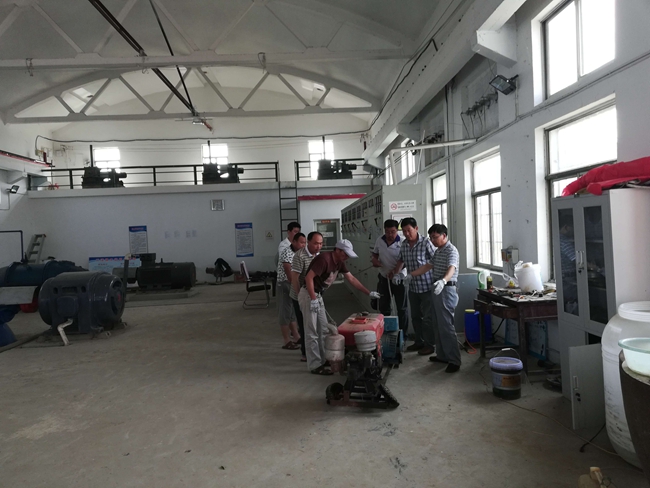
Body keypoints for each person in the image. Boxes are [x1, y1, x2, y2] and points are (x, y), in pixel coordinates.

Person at [299, 239, 381, 375]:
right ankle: (315, 365)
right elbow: (309, 278)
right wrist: (313, 299)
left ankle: (323, 359)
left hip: (317, 295)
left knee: (323, 329)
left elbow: (352, 278)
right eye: (345, 254)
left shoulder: (339, 262)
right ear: (337, 250)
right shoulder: (324, 259)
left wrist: (369, 293)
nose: (347, 257)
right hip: (309, 295)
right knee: (312, 332)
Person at [404, 224, 461, 373]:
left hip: (446, 290)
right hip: (436, 289)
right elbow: (428, 266)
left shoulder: (451, 250)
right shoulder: (438, 251)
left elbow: (452, 268)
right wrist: (410, 275)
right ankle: (442, 355)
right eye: (431, 238)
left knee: (446, 326)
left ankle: (454, 360)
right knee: (437, 324)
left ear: (444, 236)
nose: (433, 241)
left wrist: (443, 281)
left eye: (435, 237)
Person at [390, 217, 436, 356]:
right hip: (413, 287)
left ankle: (429, 345)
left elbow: (435, 260)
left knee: (427, 318)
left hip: (426, 286)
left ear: (416, 228)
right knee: (415, 316)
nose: (406, 234)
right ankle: (419, 341)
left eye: (409, 230)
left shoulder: (426, 242)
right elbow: (401, 261)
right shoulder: (404, 244)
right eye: (404, 231)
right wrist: (397, 274)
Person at [290, 231, 323, 362]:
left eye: (320, 243)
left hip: (314, 293)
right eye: (315, 243)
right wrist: (300, 297)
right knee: (305, 325)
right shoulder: (300, 256)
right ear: (308, 242)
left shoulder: (319, 255)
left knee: (317, 324)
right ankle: (305, 353)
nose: (318, 246)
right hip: (300, 294)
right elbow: (295, 278)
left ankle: (318, 351)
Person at [371, 219, 409, 335]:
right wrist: (375, 260)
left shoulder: (402, 242)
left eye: (393, 232)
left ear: (397, 230)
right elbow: (375, 254)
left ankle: (403, 334)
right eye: (387, 232)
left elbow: (406, 261)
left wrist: (395, 272)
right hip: (384, 277)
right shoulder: (380, 240)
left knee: (401, 308)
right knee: (383, 307)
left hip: (399, 279)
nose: (390, 235)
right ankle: (385, 332)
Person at [276, 232, 306, 350]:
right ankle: (286, 341)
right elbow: (290, 276)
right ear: (293, 242)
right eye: (301, 242)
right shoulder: (287, 252)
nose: (303, 245)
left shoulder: (300, 253)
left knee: (292, 312)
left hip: (293, 284)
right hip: (285, 284)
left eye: (305, 242)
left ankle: (296, 337)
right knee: (285, 312)